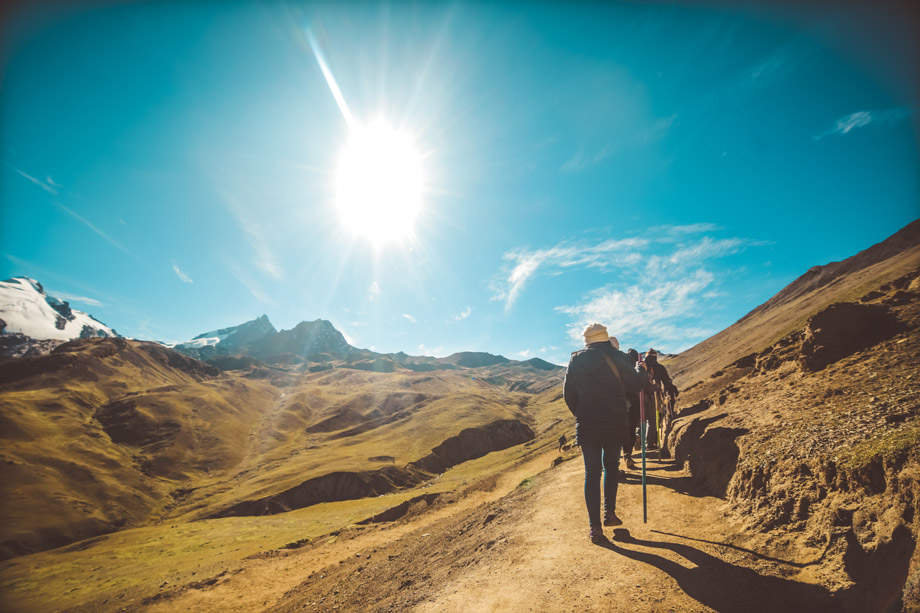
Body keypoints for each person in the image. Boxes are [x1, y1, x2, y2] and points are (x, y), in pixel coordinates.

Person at [563, 323, 648, 544]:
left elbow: (568, 395)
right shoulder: (618, 357)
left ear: (587, 341)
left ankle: (595, 528)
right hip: (615, 421)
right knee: (611, 466)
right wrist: (640, 369)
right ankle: (609, 513)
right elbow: (637, 386)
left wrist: (582, 414)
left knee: (591, 473)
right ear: (605, 337)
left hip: (588, 424)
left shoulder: (575, 360)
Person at [623, 348, 642, 470]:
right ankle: (627, 455)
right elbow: (640, 384)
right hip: (633, 405)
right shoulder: (634, 372)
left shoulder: (618, 369)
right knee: (630, 430)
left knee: (623, 431)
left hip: (620, 406)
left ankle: (625, 456)